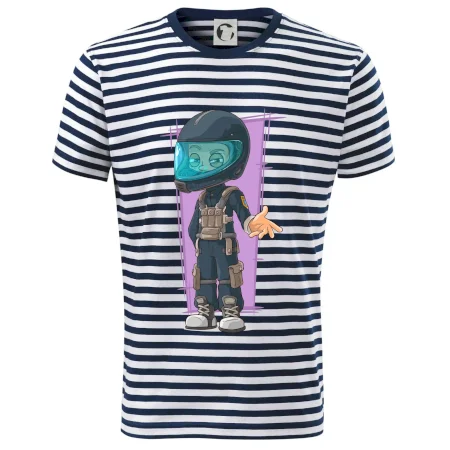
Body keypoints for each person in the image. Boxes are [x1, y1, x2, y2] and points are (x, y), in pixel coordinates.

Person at [174, 110, 282, 333]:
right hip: (204, 246)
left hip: (225, 245)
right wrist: (197, 241)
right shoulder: (202, 198)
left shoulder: (232, 194)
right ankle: (205, 311)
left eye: (215, 159)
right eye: (195, 159)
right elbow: (193, 226)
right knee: (203, 278)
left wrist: (252, 224)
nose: (203, 166)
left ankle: (231, 312)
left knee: (228, 277)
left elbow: (243, 215)